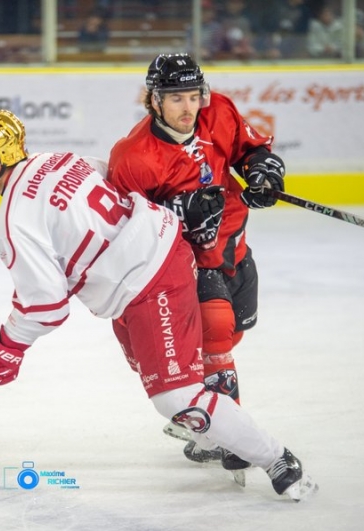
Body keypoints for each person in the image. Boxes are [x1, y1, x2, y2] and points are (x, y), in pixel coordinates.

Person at [0, 109, 317, 501]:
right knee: (163, 376)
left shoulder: (11, 221)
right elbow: (110, 189)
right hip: (140, 274)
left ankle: (276, 458)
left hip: (150, 279)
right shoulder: (57, 160)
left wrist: (4, 346)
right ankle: (218, 424)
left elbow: (46, 306)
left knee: (175, 397)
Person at [106, 53, 285, 466]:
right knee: (217, 329)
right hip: (188, 264)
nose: (189, 109)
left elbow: (251, 150)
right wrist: (177, 214)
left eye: (193, 97)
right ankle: (233, 435)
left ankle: (199, 411)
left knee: (234, 330)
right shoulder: (132, 157)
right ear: (154, 101)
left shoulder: (218, 111)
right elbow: (126, 233)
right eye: (176, 99)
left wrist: (263, 173)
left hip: (234, 248)